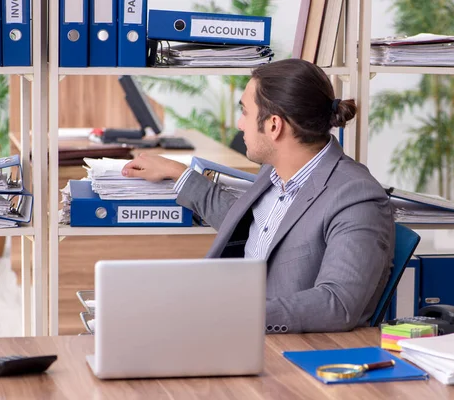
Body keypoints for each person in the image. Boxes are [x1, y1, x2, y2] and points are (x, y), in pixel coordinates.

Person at [122, 59, 395, 333]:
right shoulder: (275, 171)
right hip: (235, 327)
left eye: (245, 112)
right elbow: (249, 224)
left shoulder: (355, 197)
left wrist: (230, 311)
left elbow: (337, 305)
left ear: (274, 125)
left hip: (284, 347)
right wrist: (178, 173)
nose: (240, 124)